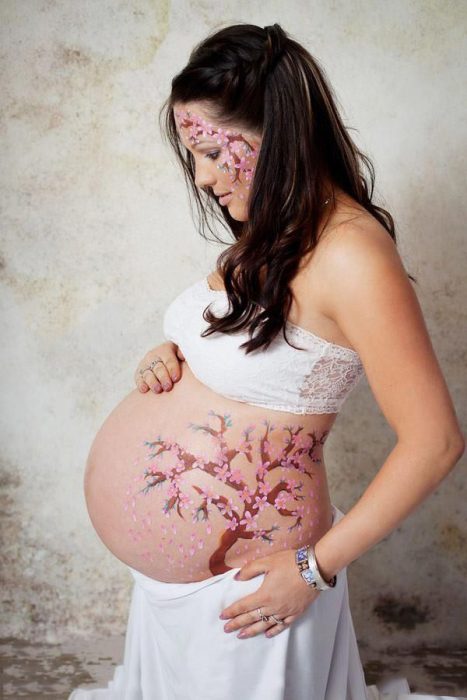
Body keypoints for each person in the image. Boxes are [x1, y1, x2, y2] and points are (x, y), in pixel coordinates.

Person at [69, 23, 465, 700]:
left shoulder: (352, 256)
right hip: (177, 596)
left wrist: (311, 571)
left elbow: (434, 443)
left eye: (209, 152)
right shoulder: (273, 230)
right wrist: (173, 356)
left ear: (275, 135)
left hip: (255, 595)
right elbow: (259, 358)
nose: (200, 176)